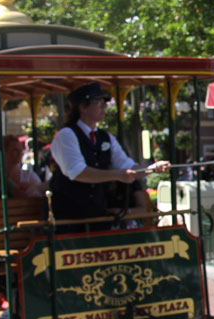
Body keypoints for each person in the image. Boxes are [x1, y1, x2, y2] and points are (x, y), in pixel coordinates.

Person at [49, 82, 169, 228]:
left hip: (97, 215)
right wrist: (118, 175)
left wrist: (151, 169)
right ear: (82, 107)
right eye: (98, 103)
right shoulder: (66, 135)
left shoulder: (105, 137)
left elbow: (127, 165)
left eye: (104, 103)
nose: (103, 107)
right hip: (69, 217)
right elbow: (78, 172)